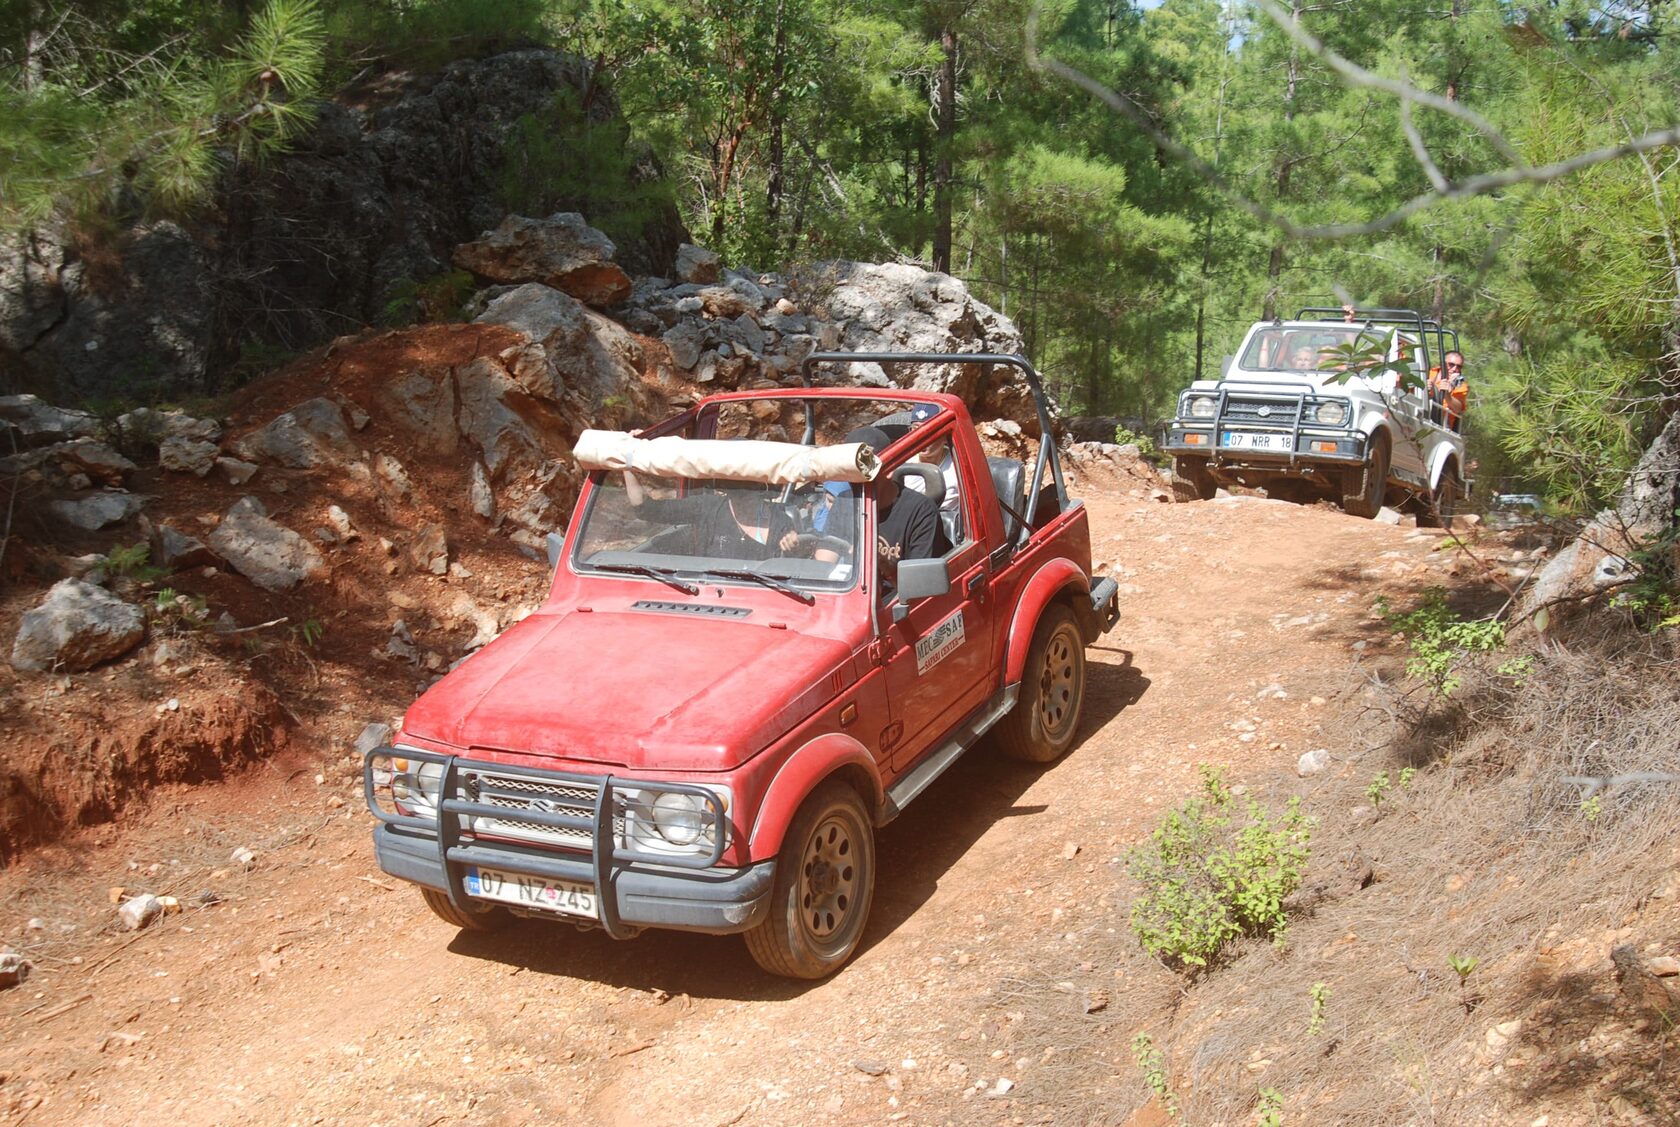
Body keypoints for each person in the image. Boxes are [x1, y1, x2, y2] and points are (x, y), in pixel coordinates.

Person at [622, 470, 800, 560]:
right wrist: (627, 465)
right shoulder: (706, 507)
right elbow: (645, 508)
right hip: (708, 593)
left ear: (762, 486)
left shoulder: (780, 519)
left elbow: (791, 564)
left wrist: (794, 545)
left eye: (749, 486)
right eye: (734, 487)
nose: (741, 493)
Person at [846, 425, 940, 593]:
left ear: (888, 470)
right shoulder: (844, 503)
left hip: (894, 602)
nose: (855, 483)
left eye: (864, 474)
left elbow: (918, 590)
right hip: (843, 597)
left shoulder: (921, 512)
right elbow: (825, 562)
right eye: (849, 474)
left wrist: (883, 564)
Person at [1429, 350, 1468, 431]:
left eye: (1459, 366)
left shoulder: (1460, 384)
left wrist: (1447, 395)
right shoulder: (1430, 373)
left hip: (1442, 423)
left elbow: (1458, 409)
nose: (1454, 369)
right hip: (1424, 411)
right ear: (1442, 363)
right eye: (1451, 364)